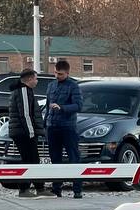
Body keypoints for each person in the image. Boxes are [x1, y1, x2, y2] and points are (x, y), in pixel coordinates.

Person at [45, 59, 83, 199]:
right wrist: (45, 124)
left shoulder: (73, 86)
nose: (57, 76)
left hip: (68, 127)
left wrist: (63, 108)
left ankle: (77, 189)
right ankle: (56, 189)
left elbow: (78, 106)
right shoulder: (51, 85)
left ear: (67, 73)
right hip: (52, 126)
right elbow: (48, 106)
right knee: (55, 159)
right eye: (55, 73)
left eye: (60, 74)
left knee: (74, 158)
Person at [6, 68, 45, 197]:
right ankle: (24, 189)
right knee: (29, 160)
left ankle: (39, 188)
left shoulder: (24, 90)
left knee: (33, 159)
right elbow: (26, 114)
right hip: (24, 132)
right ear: (29, 79)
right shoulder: (23, 91)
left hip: (23, 131)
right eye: (35, 78)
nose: (37, 81)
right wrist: (31, 132)